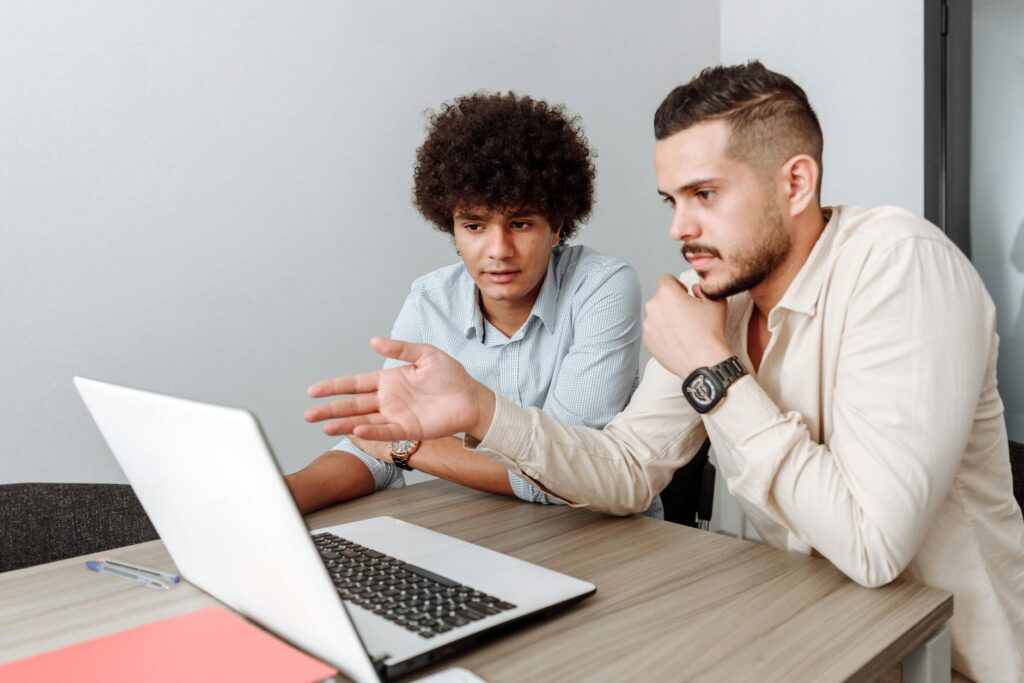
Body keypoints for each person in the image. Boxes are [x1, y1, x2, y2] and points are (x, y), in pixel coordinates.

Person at [304, 62, 1024, 680]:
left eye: (705, 195)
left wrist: (711, 368)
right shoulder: (720, 293)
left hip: (935, 659)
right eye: (671, 201)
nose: (679, 228)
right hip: (793, 632)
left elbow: (873, 545)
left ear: (795, 182)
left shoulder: (900, 263)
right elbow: (625, 470)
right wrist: (483, 411)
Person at [288, 91, 661, 518]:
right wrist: (281, 495)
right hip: (487, 532)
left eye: (520, 224)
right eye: (475, 225)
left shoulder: (602, 287)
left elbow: (565, 472)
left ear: (556, 226)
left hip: (610, 543)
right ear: (452, 229)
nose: (498, 250)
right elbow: (375, 444)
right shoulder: (430, 300)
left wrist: (406, 447)